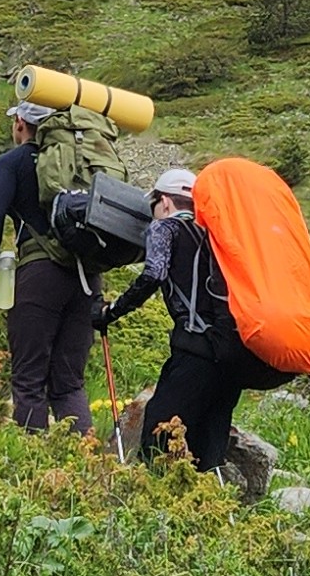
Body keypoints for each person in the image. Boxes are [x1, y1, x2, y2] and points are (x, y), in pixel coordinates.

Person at [100, 169, 267, 470]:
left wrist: (112, 311)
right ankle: (209, 497)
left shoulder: (166, 228)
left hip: (195, 352)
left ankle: (154, 497)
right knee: (208, 448)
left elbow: (154, 274)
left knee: (160, 432)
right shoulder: (217, 235)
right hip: (233, 354)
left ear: (164, 202)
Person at [0, 96, 99, 434]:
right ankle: (82, 459)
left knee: (29, 378)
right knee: (69, 383)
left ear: (20, 124)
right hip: (88, 277)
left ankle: (33, 461)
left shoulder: (12, 162)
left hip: (39, 274)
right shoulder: (82, 161)